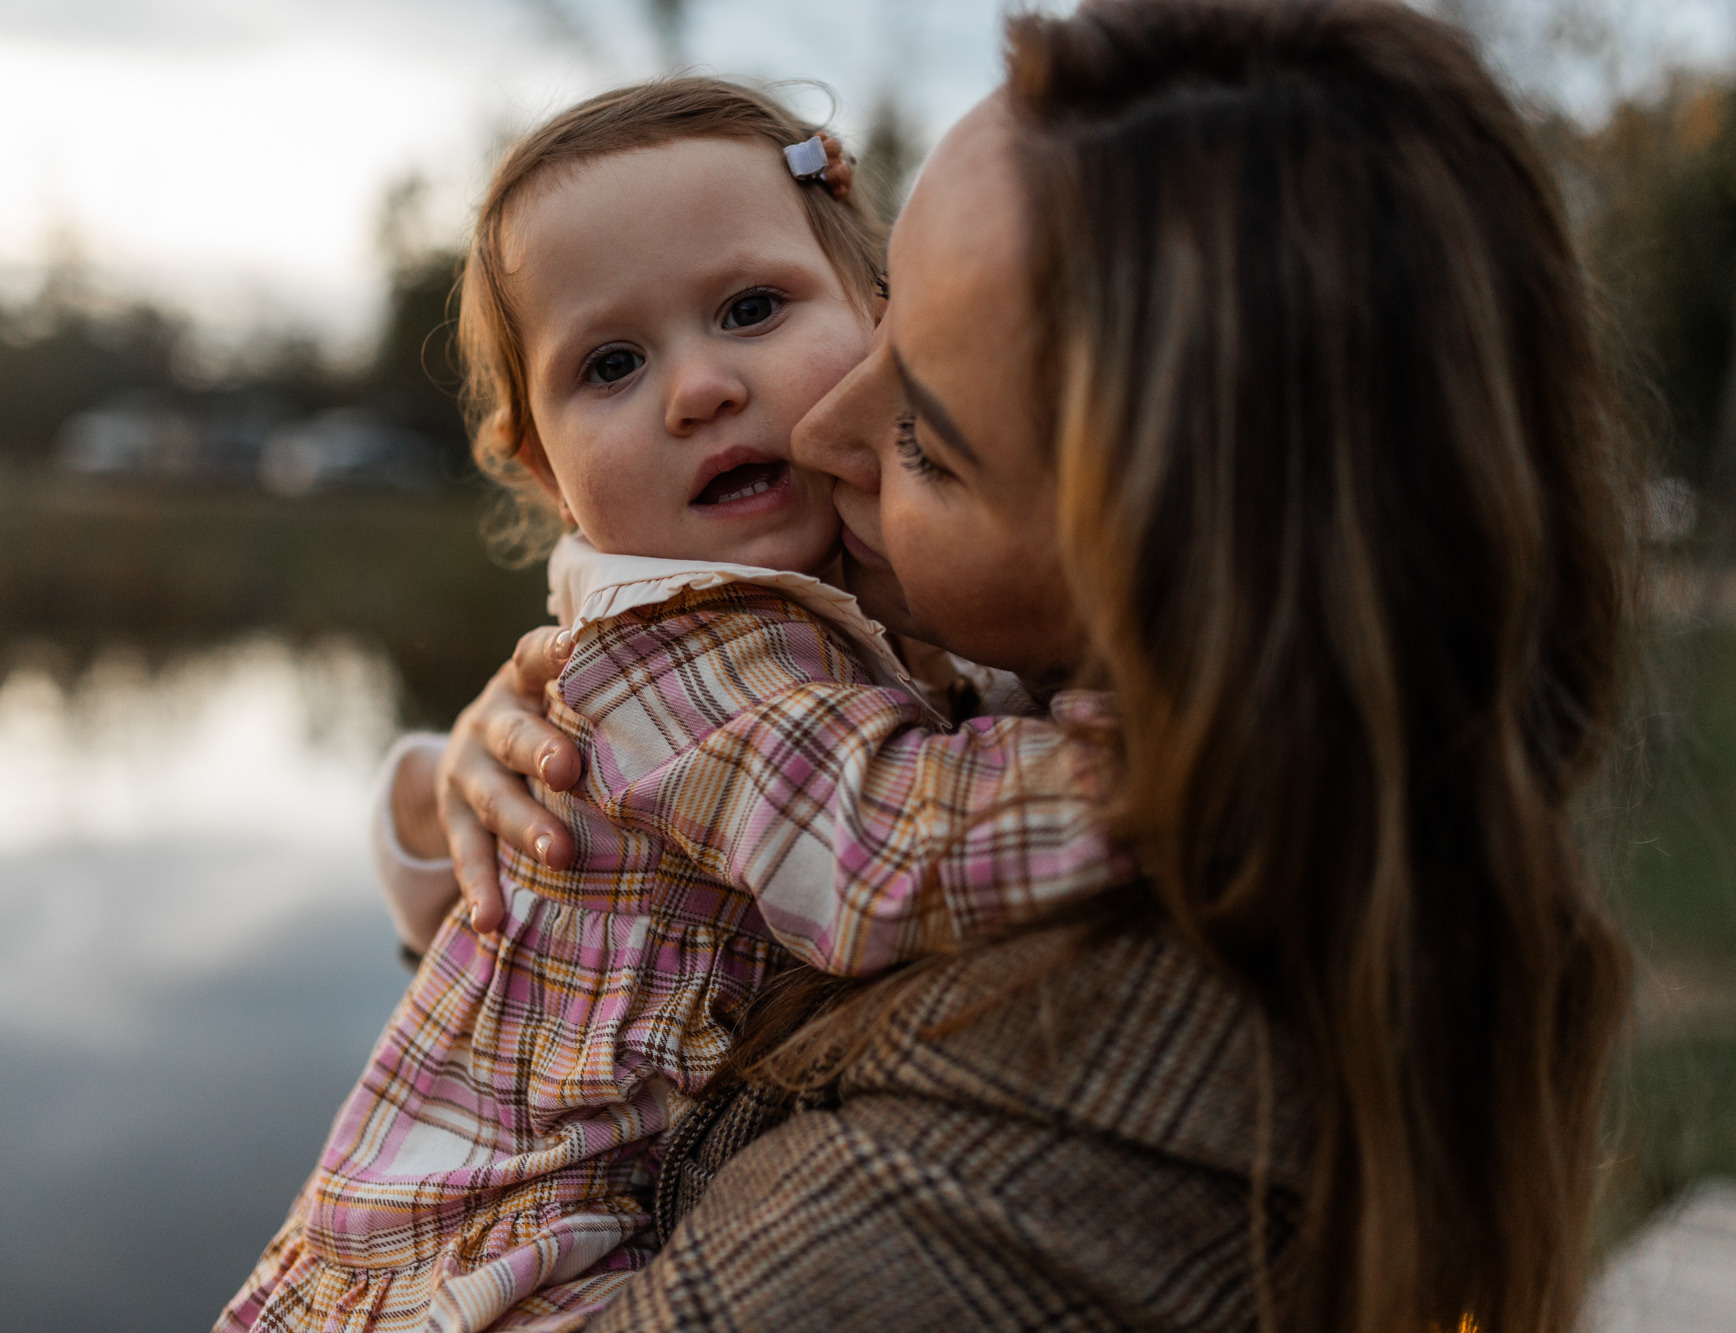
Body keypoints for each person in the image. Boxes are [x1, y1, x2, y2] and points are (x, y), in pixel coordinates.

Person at [408, 3, 1638, 1329]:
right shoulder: (728, 652)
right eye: (612, 363)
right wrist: (443, 794)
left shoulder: (1096, 1091)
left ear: (1176, 560)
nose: (812, 422)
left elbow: (879, 841)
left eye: (926, 432)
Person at [218, 78, 1128, 1333]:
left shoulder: (843, 606)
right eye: (610, 363)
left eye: (751, 308)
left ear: (881, 317)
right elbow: (885, 849)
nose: (697, 387)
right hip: (480, 1266)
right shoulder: (671, 640)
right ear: (545, 469)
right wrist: (1178, 760)